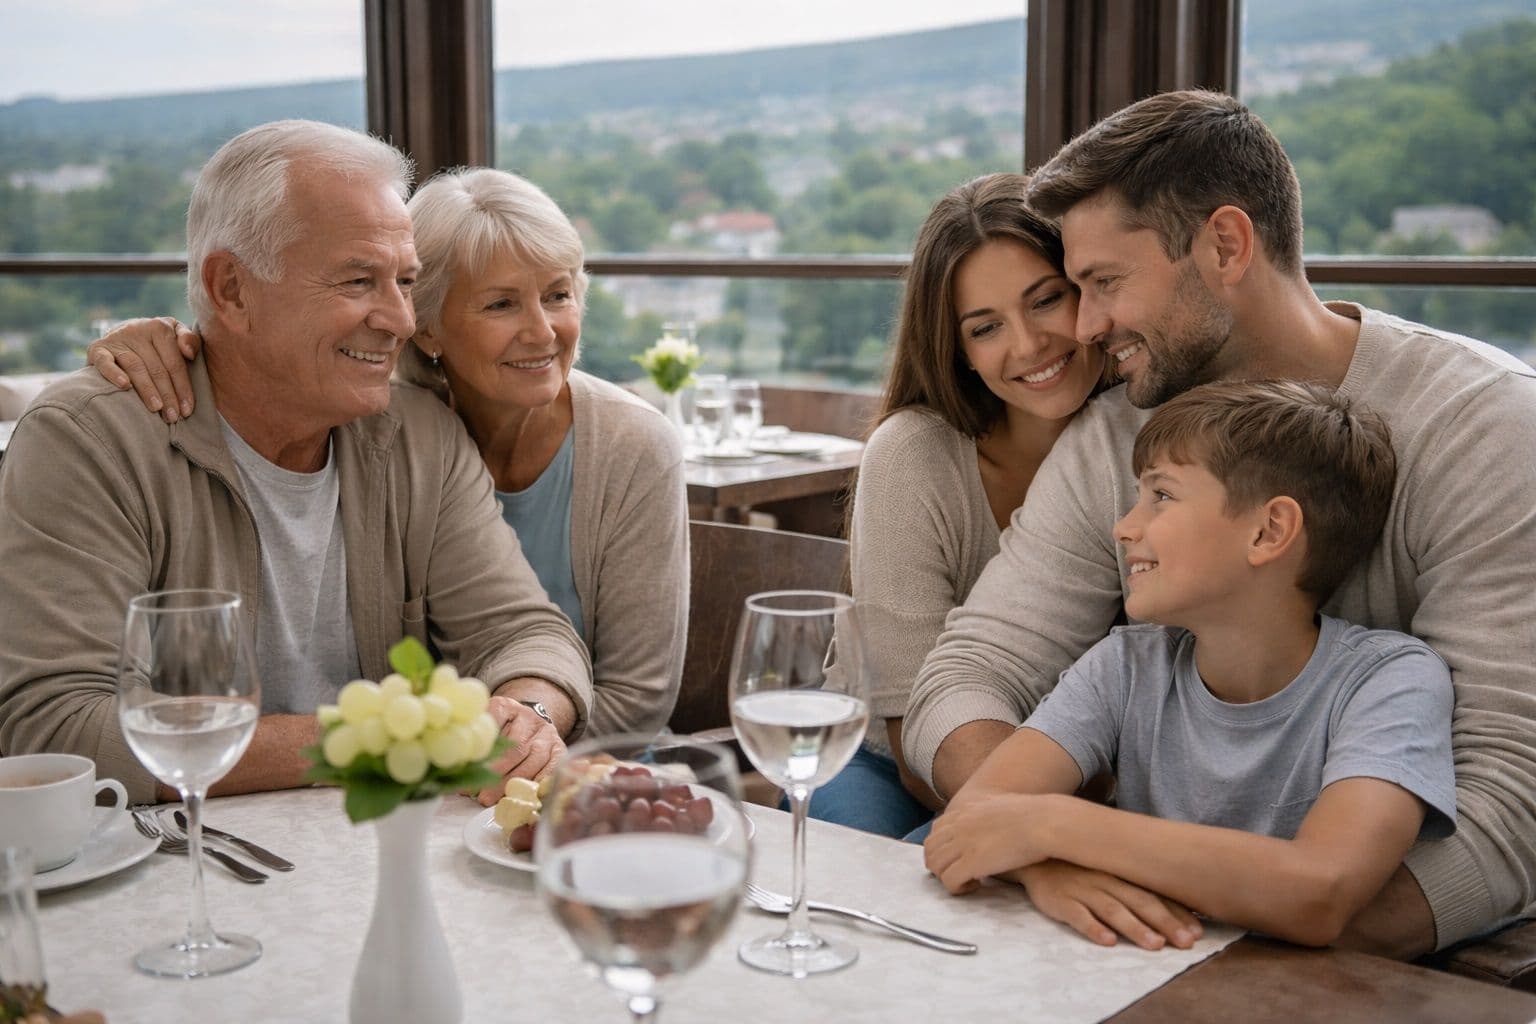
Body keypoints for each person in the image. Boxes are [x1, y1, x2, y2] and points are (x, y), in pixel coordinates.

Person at [905, 89, 1536, 957]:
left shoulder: (1487, 427)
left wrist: (1214, 956)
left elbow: (1511, 803)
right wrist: (1045, 863)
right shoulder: (1117, 435)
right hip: (1148, 942)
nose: (1085, 329)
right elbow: (971, 674)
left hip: (1392, 954)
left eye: (1106, 284)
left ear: (1227, 245)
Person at [0, 121, 593, 805]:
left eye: (405, 281)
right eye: (359, 281)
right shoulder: (90, 443)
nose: (400, 319)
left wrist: (532, 714)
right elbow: (53, 730)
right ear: (231, 290)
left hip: (378, 848)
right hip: (179, 868)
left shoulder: (418, 435)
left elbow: (526, 632)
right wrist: (374, 741)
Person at [87, 167, 689, 744]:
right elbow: (246, 339)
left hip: (542, 767)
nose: (542, 331)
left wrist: (515, 730)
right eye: (500, 304)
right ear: (426, 328)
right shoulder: (401, 427)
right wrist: (164, 341)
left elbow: (594, 676)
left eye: (558, 295)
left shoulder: (623, 443)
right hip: (425, 774)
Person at [926, 380, 1456, 950]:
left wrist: (1048, 825)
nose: (1124, 526)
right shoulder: (1124, 667)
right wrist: (1049, 871)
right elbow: (965, 822)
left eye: (1163, 496)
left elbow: (1321, 891)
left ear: (1268, 531)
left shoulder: (1390, 680)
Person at [807, 173, 1109, 838]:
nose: (1028, 345)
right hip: (883, 754)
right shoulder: (913, 455)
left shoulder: (1148, 441)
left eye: (1046, 300)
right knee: (903, 870)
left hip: (1071, 771)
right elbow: (909, 720)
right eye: (986, 327)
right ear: (958, 350)